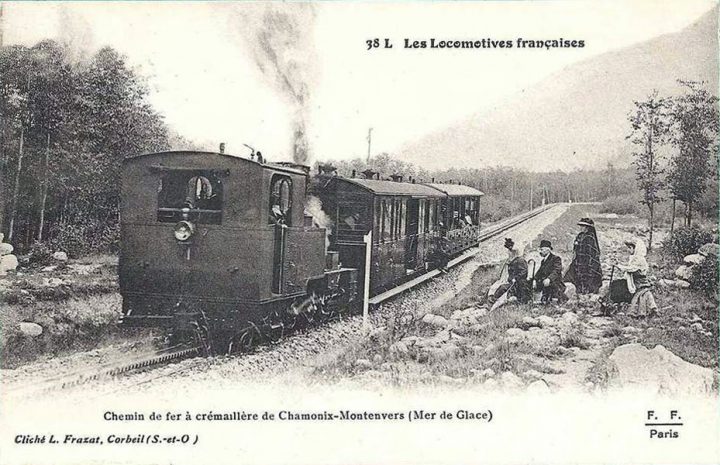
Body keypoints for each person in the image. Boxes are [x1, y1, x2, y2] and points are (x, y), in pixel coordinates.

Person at [611, 238, 658, 317]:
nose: (628, 250)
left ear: (636, 249)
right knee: (616, 285)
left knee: (642, 295)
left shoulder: (640, 260)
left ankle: (646, 311)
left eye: (630, 248)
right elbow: (628, 266)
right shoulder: (634, 258)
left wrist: (618, 266)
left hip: (641, 283)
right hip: (634, 282)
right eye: (628, 248)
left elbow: (631, 269)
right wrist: (618, 263)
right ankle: (614, 306)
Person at [564, 217, 602, 294]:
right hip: (578, 261)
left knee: (587, 277)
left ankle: (587, 292)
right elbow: (575, 248)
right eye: (580, 226)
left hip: (587, 262)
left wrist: (590, 264)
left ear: (587, 228)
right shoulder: (579, 236)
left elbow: (592, 253)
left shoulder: (590, 237)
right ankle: (577, 291)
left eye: (583, 226)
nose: (581, 228)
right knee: (571, 275)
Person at [490, 238, 531, 305]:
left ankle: (491, 302)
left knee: (502, 288)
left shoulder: (520, 260)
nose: (508, 254)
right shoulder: (514, 260)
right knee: (494, 287)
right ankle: (486, 301)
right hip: (513, 282)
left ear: (513, 253)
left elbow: (524, 272)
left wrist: (515, 278)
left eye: (509, 252)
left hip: (518, 284)